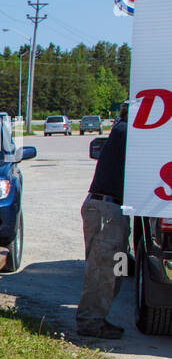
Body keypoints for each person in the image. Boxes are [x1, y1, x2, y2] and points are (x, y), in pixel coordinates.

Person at [77, 103, 130, 339]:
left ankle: (98, 317)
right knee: (102, 269)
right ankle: (90, 322)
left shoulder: (122, 129)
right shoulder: (125, 131)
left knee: (117, 267)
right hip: (107, 209)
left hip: (109, 208)